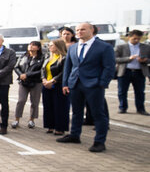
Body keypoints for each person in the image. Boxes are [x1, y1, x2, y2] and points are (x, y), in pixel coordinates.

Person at [58, 22, 116, 152]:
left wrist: (102, 83)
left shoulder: (103, 47)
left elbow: (109, 67)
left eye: (82, 30)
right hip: (75, 84)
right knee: (77, 112)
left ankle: (99, 141)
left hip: (94, 85)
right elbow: (68, 67)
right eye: (77, 30)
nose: (79, 32)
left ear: (92, 30)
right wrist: (65, 83)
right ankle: (74, 135)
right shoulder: (73, 47)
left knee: (98, 114)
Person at [115, 29, 150, 115]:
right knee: (122, 91)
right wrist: (128, 59)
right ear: (129, 37)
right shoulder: (121, 47)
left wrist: (145, 60)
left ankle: (140, 109)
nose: (136, 40)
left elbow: (149, 59)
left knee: (140, 92)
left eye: (138, 39)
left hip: (139, 72)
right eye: (134, 38)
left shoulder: (146, 47)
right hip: (125, 71)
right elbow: (115, 59)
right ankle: (122, 107)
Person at [11, 40, 43, 128]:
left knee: (34, 102)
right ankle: (16, 119)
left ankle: (32, 120)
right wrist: (20, 74)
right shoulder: (23, 56)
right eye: (30, 45)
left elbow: (41, 70)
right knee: (21, 100)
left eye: (33, 45)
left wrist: (27, 75)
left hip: (36, 82)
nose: (31, 47)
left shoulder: (42, 58)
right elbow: (16, 67)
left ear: (38, 48)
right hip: (23, 82)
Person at [42, 39, 69, 135]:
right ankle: (50, 126)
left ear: (58, 46)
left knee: (60, 107)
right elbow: (43, 69)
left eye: (51, 45)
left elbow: (64, 72)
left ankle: (60, 128)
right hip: (46, 85)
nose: (49, 47)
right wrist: (44, 80)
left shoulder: (65, 58)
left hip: (58, 85)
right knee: (48, 106)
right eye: (49, 45)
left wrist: (53, 81)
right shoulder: (48, 57)